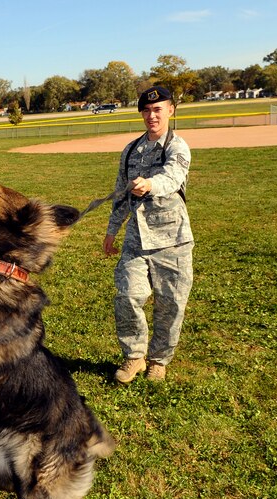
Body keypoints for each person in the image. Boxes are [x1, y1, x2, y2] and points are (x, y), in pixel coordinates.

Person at [102, 86, 194, 383]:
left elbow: (172, 178)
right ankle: (134, 357)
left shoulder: (177, 147)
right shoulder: (130, 150)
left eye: (157, 109)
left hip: (173, 239)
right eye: (146, 110)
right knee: (127, 296)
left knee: (171, 304)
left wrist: (151, 185)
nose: (151, 115)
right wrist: (112, 230)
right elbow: (120, 193)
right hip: (136, 239)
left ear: (170, 110)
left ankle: (159, 360)